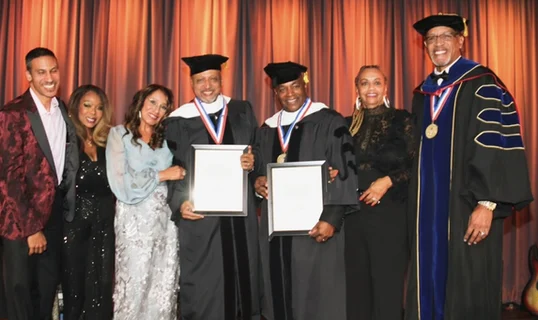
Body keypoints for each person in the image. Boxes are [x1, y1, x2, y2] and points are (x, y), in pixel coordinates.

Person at [405, 14, 533, 320]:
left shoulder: (483, 84)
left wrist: (487, 204)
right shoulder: (422, 94)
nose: (438, 44)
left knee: (468, 282)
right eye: (431, 39)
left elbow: (497, 146)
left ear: (461, 40)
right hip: (426, 213)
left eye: (446, 36)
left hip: (467, 206)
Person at [253, 61, 359, 320]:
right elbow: (255, 171)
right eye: (283, 89)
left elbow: (345, 169)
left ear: (305, 84)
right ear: (275, 92)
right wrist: (257, 183)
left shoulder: (329, 121)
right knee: (279, 294)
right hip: (277, 232)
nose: (290, 94)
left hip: (316, 227)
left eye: (295, 86)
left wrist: (331, 219)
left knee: (318, 297)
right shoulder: (266, 130)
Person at [164, 54, 261, 320]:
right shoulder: (178, 121)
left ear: (221, 80)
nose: (207, 86)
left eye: (212, 79)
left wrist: (253, 163)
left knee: (244, 278)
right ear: (191, 82)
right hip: (201, 217)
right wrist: (180, 202)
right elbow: (171, 167)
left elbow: (258, 153)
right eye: (200, 80)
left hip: (240, 216)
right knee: (205, 286)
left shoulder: (242, 111)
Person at [0, 47, 78, 320]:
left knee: (46, 293)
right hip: (20, 222)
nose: (49, 77)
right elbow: (9, 177)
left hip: (54, 216)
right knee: (20, 296)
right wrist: (31, 228)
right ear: (28, 75)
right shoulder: (13, 113)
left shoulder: (61, 109)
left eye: (53, 70)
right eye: (41, 72)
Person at [106, 84, 183, 319]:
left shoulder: (168, 140)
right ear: (140, 102)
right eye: (152, 102)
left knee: (163, 286)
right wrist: (162, 175)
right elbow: (121, 184)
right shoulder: (119, 135)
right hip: (134, 223)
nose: (156, 110)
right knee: (134, 284)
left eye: (163, 107)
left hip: (165, 225)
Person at [343, 65, 414, 319]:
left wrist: (388, 181)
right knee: (356, 286)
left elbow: (418, 165)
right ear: (357, 89)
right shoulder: (345, 125)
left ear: (385, 87)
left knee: (387, 285)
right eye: (364, 83)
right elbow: (338, 165)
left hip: (390, 214)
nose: (370, 88)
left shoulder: (402, 120)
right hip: (352, 215)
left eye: (376, 83)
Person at [61, 85, 114, 320]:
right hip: (74, 228)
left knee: (102, 288)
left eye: (99, 107)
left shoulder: (108, 143)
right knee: (75, 290)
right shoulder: (64, 140)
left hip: (105, 226)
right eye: (87, 105)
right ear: (75, 107)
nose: (94, 112)